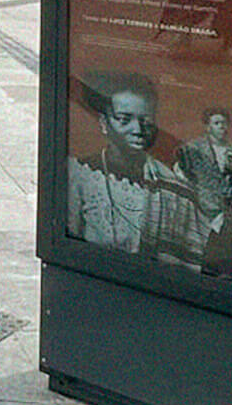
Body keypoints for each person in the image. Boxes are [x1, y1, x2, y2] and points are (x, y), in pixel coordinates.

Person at [65, 71, 208, 269]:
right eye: (124, 119)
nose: (138, 130)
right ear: (104, 123)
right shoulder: (81, 176)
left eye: (146, 121)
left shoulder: (174, 187)